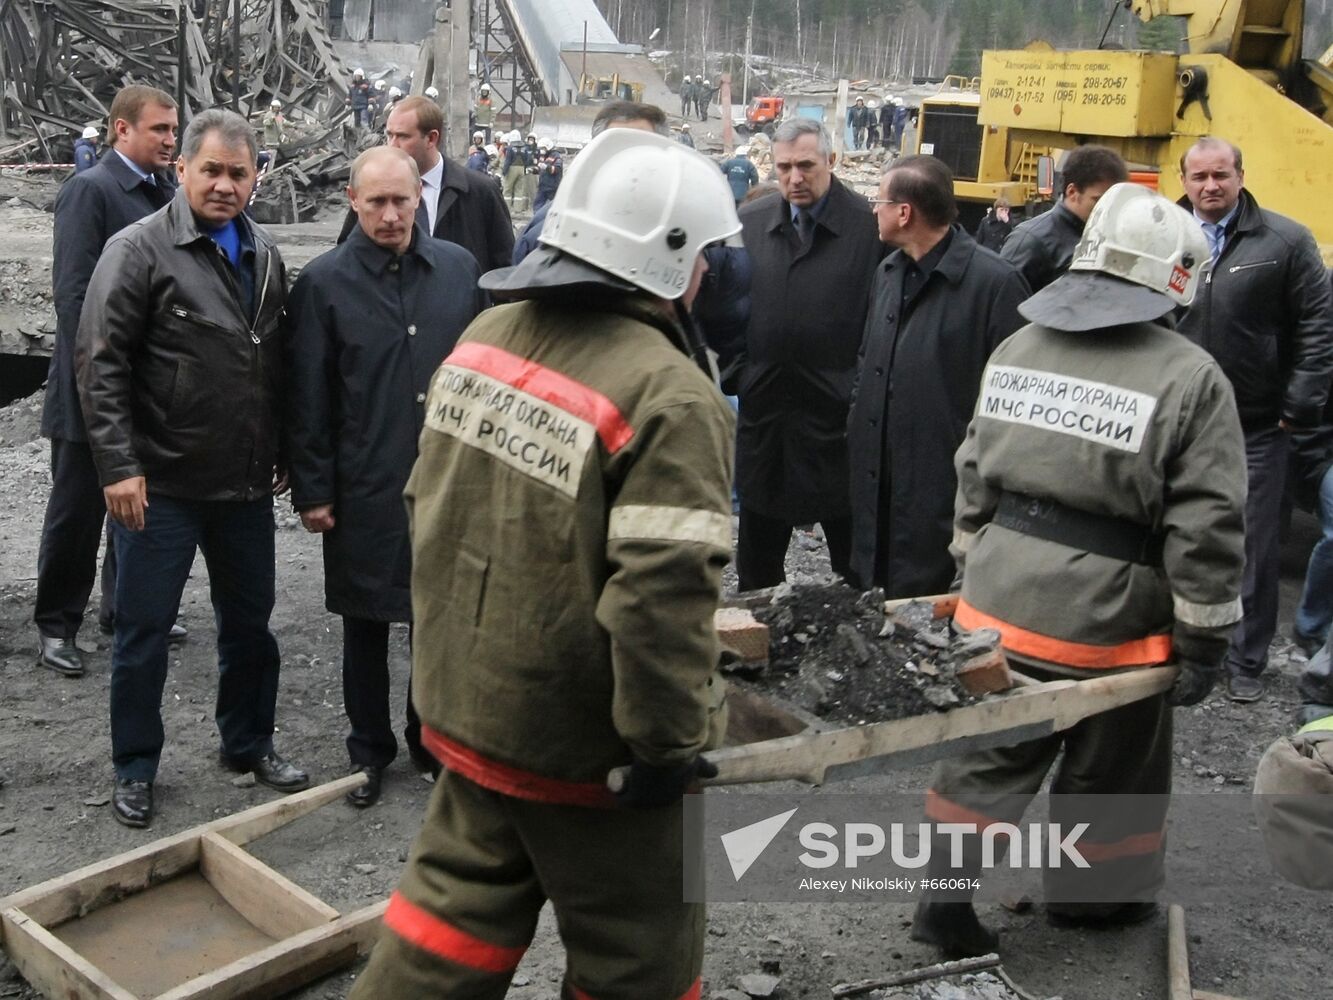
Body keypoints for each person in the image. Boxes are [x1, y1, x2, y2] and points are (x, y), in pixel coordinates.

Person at [347, 126, 738, 1000]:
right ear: (669, 255)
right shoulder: (670, 396)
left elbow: (427, 505)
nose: (709, 269)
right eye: (704, 251)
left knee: (447, 923)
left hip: (468, 705)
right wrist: (667, 748)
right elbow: (659, 602)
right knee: (639, 958)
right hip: (583, 748)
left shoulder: (488, 332)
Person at [913, 182, 1246, 957]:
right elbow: (1207, 525)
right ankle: (1093, 901)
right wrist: (1202, 638)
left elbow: (972, 470)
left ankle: (942, 900)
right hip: (1107, 623)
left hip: (995, 602)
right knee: (1115, 761)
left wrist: (973, 568)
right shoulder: (1191, 378)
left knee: (988, 753)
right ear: (1177, 280)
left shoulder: (1018, 347)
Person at [76, 109, 309, 829]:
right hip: (161, 485)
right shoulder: (139, 249)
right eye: (210, 170)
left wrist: (282, 452)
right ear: (180, 171)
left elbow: (273, 366)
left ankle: (248, 744)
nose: (224, 185)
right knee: (144, 632)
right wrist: (119, 466)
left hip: (240, 486)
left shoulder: (266, 257)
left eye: (239, 173)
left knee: (250, 628)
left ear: (256, 178)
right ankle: (135, 767)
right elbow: (100, 360)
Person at [287, 147, 486, 806]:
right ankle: (368, 749)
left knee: (435, 619)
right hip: (363, 483)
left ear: (418, 199)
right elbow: (309, 398)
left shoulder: (459, 273)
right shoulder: (323, 285)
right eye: (376, 202)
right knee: (365, 622)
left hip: (445, 483)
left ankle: (428, 741)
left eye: (402, 200)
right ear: (352, 201)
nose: (391, 214)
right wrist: (314, 490)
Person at [1175, 137, 1333, 702]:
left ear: (1241, 176)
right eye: (1199, 177)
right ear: (1184, 178)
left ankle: (1244, 660)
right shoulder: (1165, 234)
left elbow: (1318, 327)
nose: (1210, 186)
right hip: (1180, 424)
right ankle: (1182, 652)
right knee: (1175, 536)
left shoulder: (1285, 241)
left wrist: (1299, 408)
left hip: (1259, 423)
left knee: (1255, 547)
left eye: (1221, 175)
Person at [35, 85, 180, 679]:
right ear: (122, 130)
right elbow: (73, 294)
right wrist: (95, 377)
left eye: (174, 131)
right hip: (89, 384)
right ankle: (56, 626)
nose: (171, 140)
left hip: (146, 382)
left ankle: (125, 611)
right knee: (77, 510)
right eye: (159, 130)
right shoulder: (90, 190)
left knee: (139, 502)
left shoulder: (165, 194)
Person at [847, 156, 1028, 597]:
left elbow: (1017, 402)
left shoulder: (995, 285)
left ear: (905, 212)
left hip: (945, 497)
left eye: (880, 201)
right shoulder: (888, 273)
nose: (874, 210)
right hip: (879, 488)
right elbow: (869, 362)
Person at [733, 118, 882, 591]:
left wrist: (858, 389)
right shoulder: (751, 224)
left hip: (839, 423)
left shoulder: (867, 228)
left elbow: (886, 319)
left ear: (831, 162)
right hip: (767, 419)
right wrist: (742, 375)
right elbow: (724, 307)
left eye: (805, 166)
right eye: (783, 168)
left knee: (856, 565)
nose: (794, 178)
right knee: (756, 566)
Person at [337, 96, 513, 273]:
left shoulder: (479, 191)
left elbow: (505, 266)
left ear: (431, 138)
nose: (392, 145)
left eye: (402, 136)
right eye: (389, 135)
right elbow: (347, 257)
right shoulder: (373, 187)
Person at [511, 102, 668, 267]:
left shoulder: (688, 232)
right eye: (618, 147)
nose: (629, 160)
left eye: (640, 148)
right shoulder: (547, 229)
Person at [1001, 145, 1127, 292]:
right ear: (1072, 192)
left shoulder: (1110, 237)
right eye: (1099, 200)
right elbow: (1004, 302)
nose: (1109, 209)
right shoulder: (1031, 241)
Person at [501, 128, 530, 213]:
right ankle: (517, 209)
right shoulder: (524, 147)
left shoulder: (510, 148)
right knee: (519, 190)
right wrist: (524, 169)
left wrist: (504, 172)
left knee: (507, 189)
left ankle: (506, 209)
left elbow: (507, 160)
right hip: (521, 169)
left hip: (512, 168)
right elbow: (527, 159)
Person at [532, 137, 562, 211]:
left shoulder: (556, 156)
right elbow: (541, 169)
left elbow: (557, 170)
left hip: (552, 187)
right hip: (543, 185)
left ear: (548, 147)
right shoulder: (543, 156)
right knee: (537, 205)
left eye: (543, 148)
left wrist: (546, 167)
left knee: (551, 207)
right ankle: (538, 220)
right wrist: (534, 170)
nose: (541, 150)